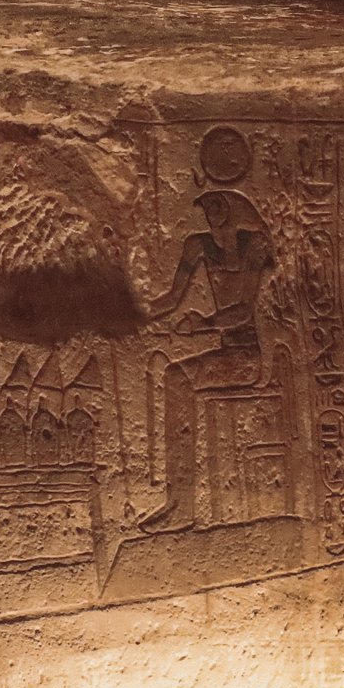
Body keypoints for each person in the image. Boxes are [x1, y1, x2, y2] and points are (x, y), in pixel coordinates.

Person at [137, 185, 276, 532]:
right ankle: (178, 503)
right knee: (174, 376)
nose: (211, 214)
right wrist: (134, 315)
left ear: (235, 207)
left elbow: (244, 310)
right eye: (206, 206)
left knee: (177, 378)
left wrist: (206, 322)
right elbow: (171, 299)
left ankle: (181, 507)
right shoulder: (197, 245)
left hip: (252, 356)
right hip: (229, 351)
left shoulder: (254, 248)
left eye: (218, 204)